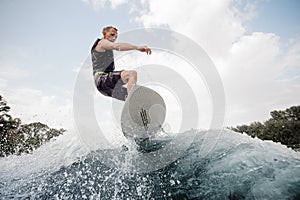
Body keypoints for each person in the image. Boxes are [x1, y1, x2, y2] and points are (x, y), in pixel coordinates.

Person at [91, 26, 152, 101]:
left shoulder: (106, 47)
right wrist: (137, 47)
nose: (114, 38)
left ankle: (138, 109)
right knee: (131, 74)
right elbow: (117, 46)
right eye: (112, 35)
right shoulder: (101, 43)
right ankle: (132, 103)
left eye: (116, 37)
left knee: (135, 95)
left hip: (106, 88)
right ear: (104, 33)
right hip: (102, 80)